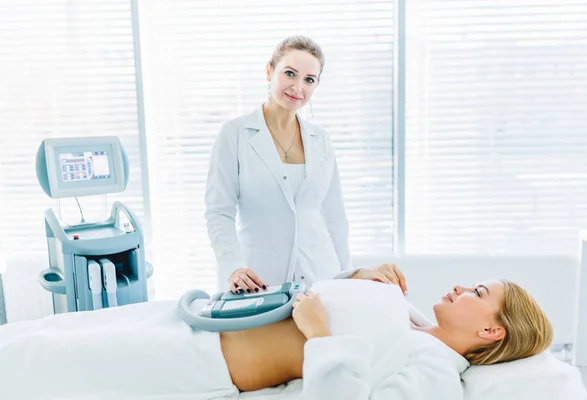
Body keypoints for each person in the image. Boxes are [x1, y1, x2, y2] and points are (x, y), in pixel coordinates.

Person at [0, 267, 552, 400]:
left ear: (489, 329)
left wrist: (319, 336)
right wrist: (361, 278)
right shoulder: (409, 313)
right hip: (203, 317)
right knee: (45, 329)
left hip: (203, 358)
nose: (461, 288)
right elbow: (330, 296)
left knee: (39, 359)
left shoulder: (435, 374)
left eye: (478, 294)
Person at [205, 35, 356, 294]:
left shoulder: (321, 141)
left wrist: (348, 277)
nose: (298, 88)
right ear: (269, 71)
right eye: (290, 74)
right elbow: (219, 213)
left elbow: (335, 218)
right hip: (259, 277)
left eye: (309, 80)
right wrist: (234, 267)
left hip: (322, 275)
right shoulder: (235, 134)